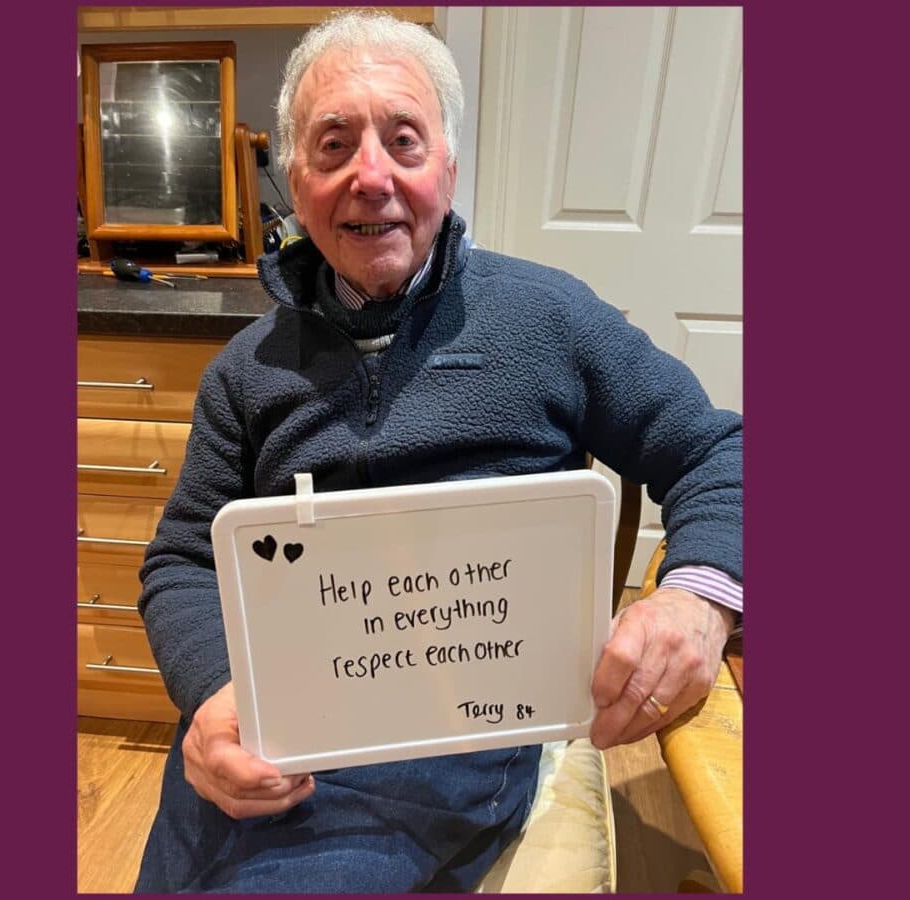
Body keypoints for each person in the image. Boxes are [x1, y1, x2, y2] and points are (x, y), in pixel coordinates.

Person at [134, 10, 742, 893]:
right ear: (294, 181)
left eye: (404, 142)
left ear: (448, 169)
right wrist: (214, 693)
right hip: (280, 719)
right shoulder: (244, 372)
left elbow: (719, 451)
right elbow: (184, 557)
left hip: (455, 741)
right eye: (333, 145)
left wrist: (696, 600)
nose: (369, 177)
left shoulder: (550, 320)